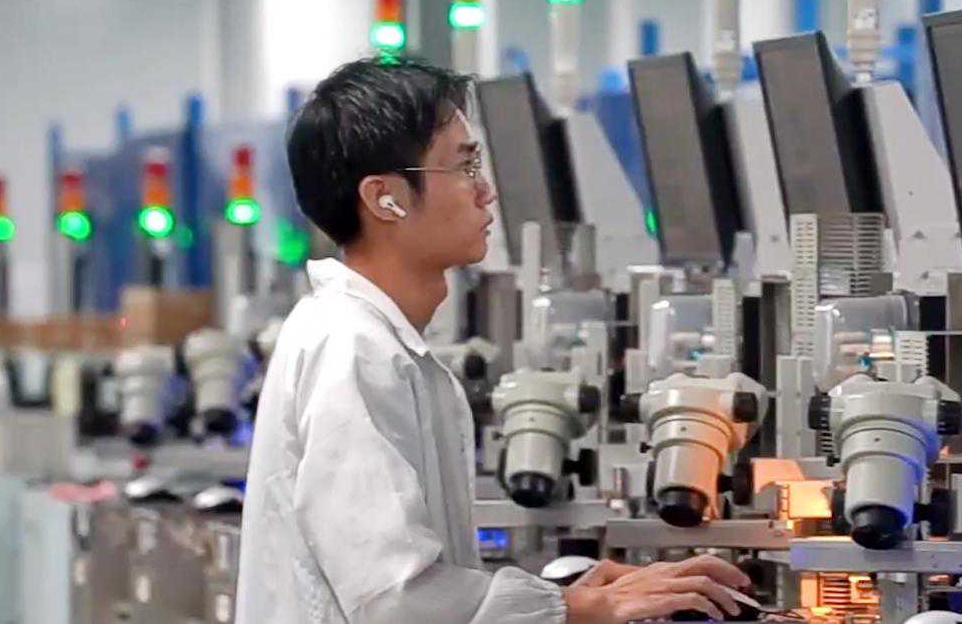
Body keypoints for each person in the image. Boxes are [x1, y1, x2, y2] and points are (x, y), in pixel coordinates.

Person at [235, 56, 751, 623]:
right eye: (464, 166)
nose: (486, 192)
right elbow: (396, 599)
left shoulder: (368, 339)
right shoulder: (353, 348)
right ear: (386, 198)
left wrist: (560, 599)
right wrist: (569, 609)